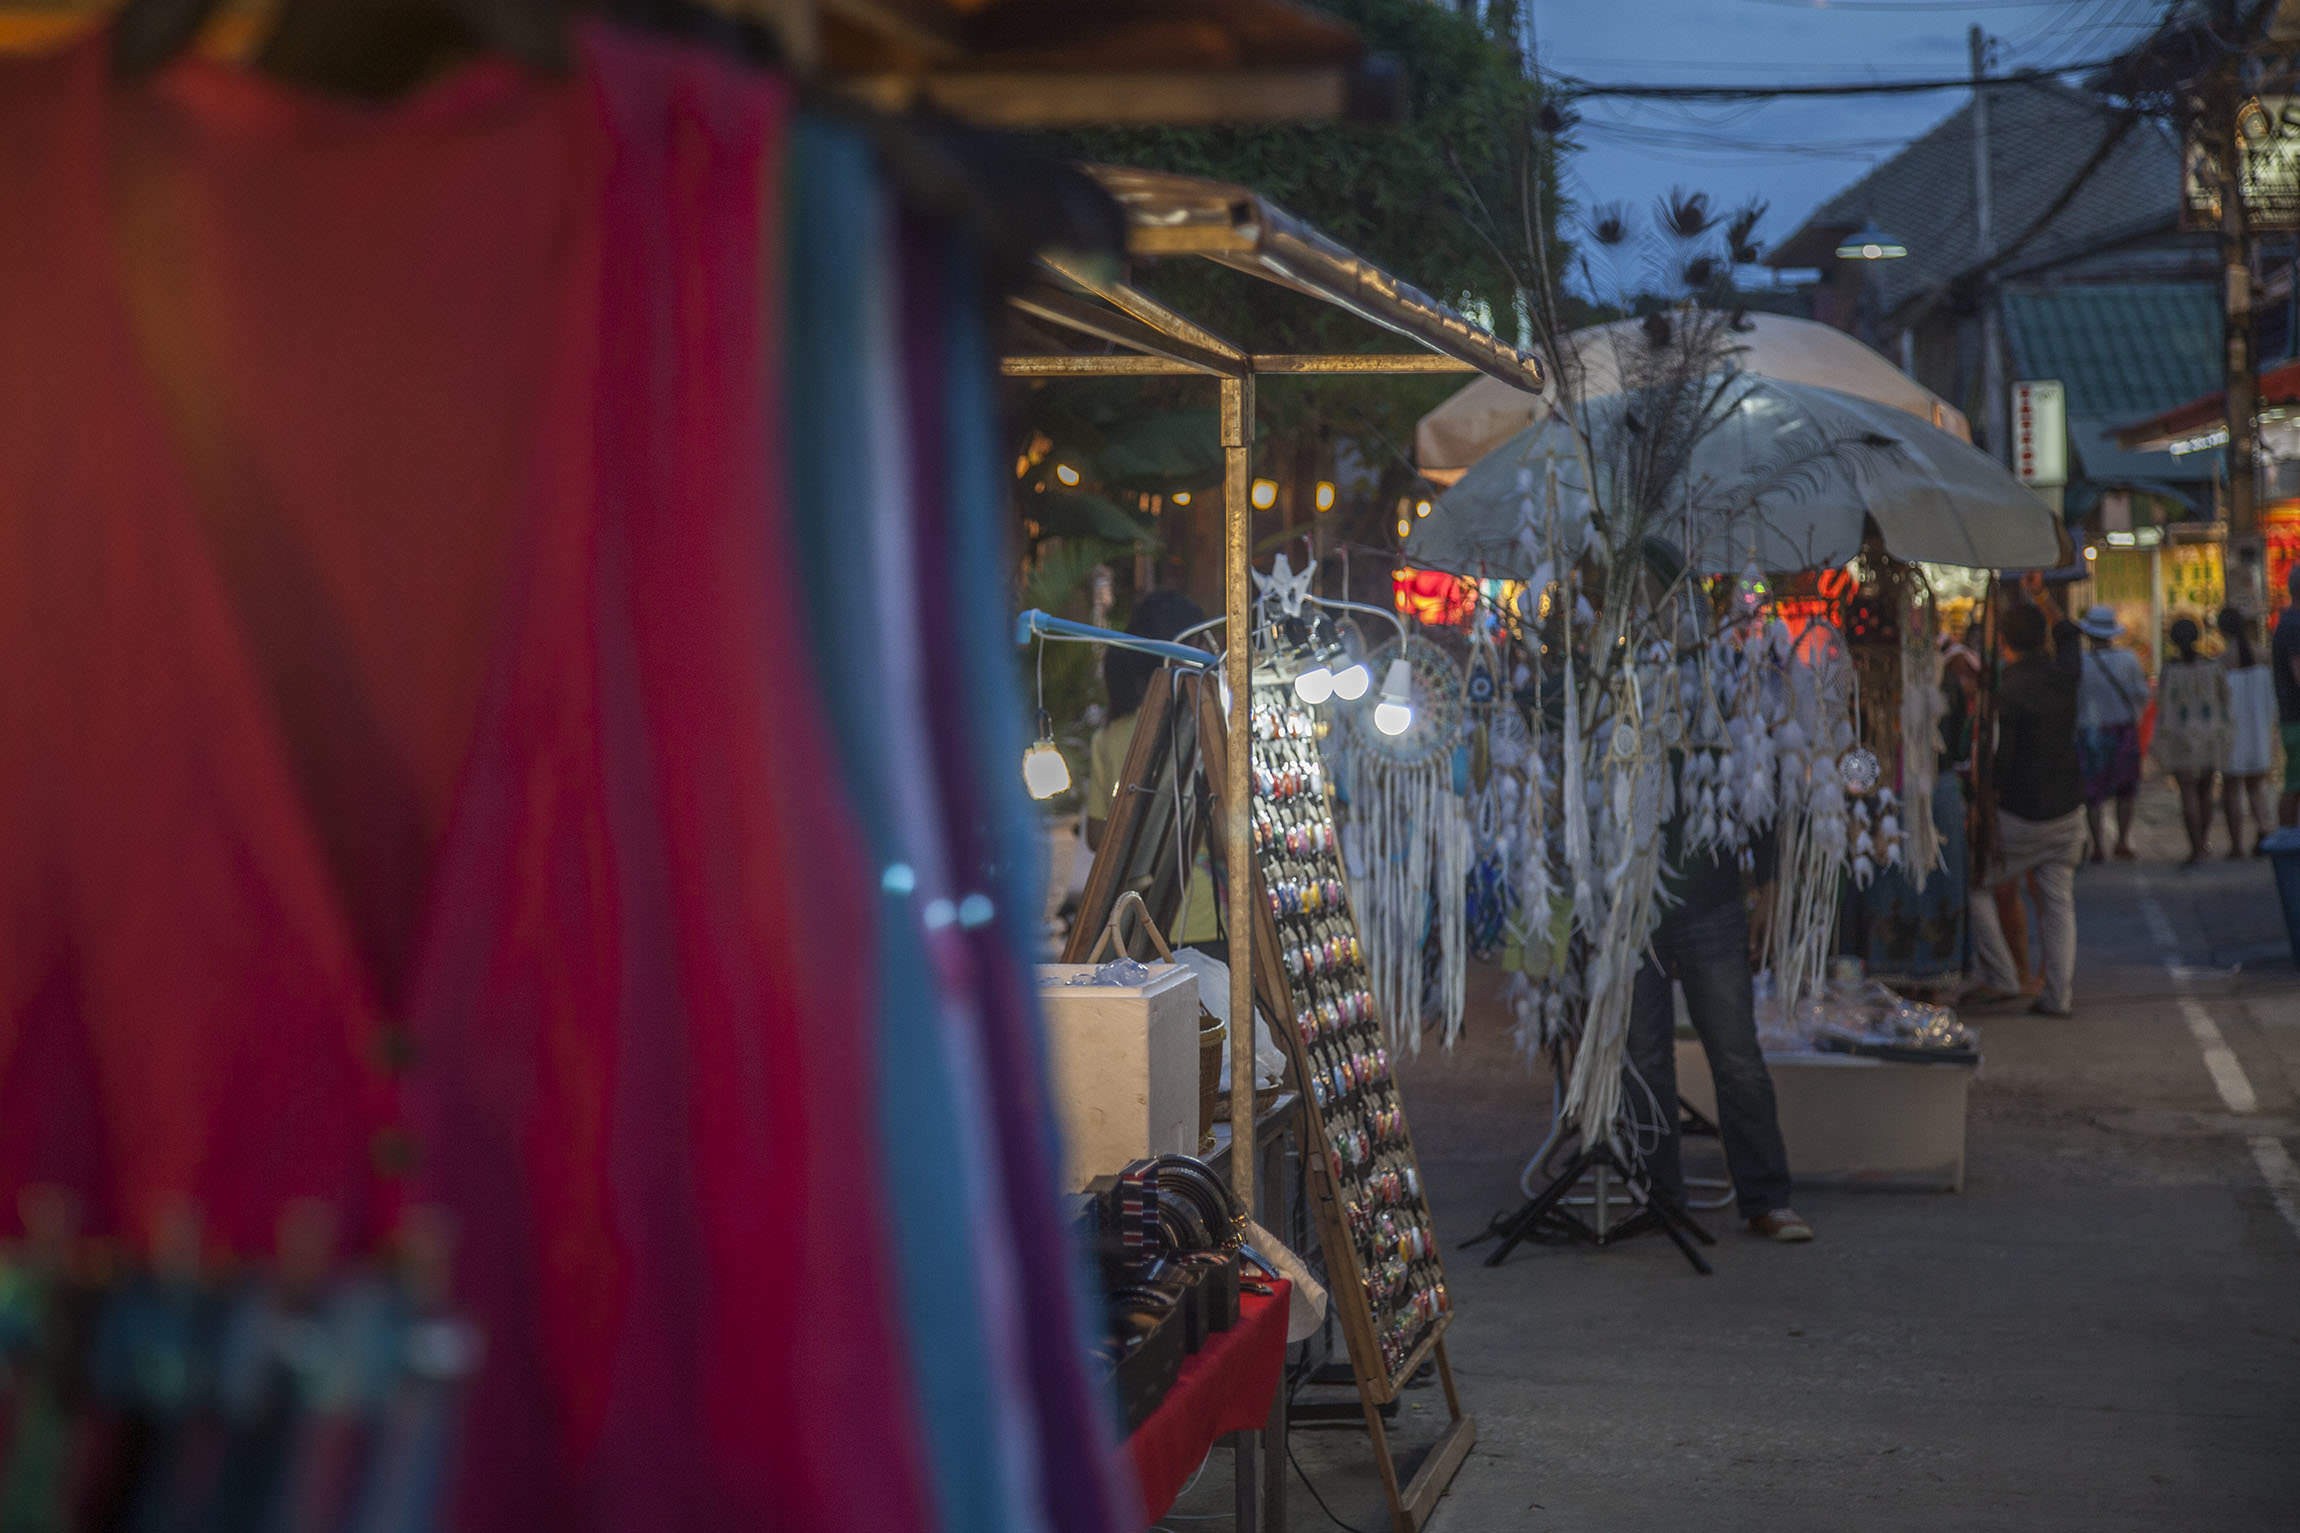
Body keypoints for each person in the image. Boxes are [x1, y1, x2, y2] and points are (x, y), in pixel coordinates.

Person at [1965, 578, 2086, 1017]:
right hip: (2068, 811)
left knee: (1973, 884)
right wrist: (2041, 596)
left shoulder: (2006, 692)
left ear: (2004, 643)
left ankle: (2001, 975)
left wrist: (1983, 813)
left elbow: (1998, 765)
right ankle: (2059, 995)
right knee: (2058, 902)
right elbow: (2070, 633)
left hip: (2022, 815)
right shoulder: (2065, 676)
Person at [1085, 589, 1220, 946]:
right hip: (1204, 919)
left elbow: (1097, 834)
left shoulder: (1111, 734)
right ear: (1178, 649)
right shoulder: (1208, 728)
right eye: (1198, 641)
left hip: (1135, 926)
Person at [2153, 616, 2232, 868]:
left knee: (2187, 791)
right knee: (2206, 791)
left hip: (2180, 736)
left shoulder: (2169, 670)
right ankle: (2204, 842)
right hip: (2211, 734)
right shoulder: (2213, 666)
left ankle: (2195, 846)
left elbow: (2161, 702)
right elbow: (2225, 699)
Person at [2073, 605, 2148, 862]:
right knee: (2125, 790)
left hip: (2089, 731)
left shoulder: (2080, 662)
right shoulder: (2128, 659)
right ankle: (2122, 841)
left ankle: (2097, 846)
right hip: (2123, 728)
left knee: (2093, 793)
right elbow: (2141, 694)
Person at [2218, 605, 2276, 857]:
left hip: (2232, 733)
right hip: (2259, 729)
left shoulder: (2221, 662)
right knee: (2257, 786)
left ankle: (2236, 845)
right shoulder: (2263, 656)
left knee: (2231, 788)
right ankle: (2264, 829)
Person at [2274, 564, 2300, 827]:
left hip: (2292, 717)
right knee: (2293, 783)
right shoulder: (2294, 625)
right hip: (2296, 718)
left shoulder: (2289, 622)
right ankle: (2288, 837)